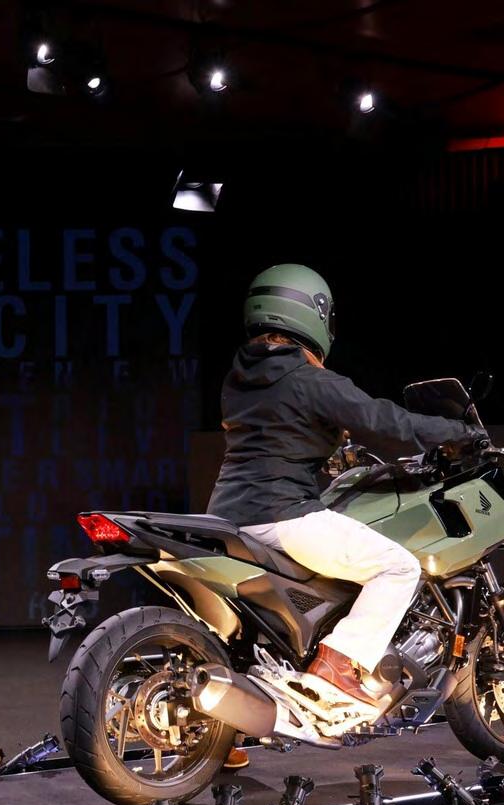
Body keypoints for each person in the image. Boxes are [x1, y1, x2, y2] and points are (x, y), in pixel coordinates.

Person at [207, 263, 484, 710]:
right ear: (314, 315)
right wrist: (456, 433)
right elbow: (385, 421)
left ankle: (248, 708)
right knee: (398, 567)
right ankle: (338, 666)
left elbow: (281, 434)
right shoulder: (310, 380)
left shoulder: (238, 379)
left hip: (225, 515)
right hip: (283, 515)